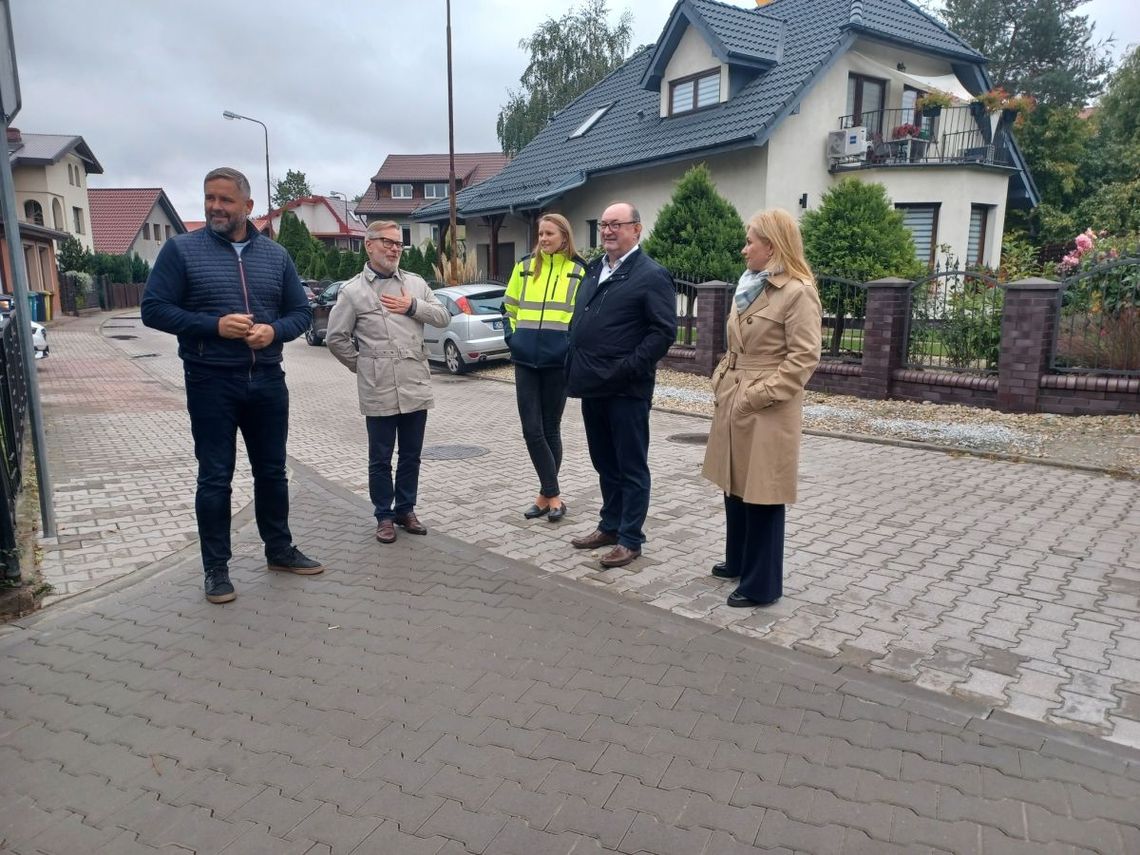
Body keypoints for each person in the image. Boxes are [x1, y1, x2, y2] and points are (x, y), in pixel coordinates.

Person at [141, 167, 323, 605]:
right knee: (216, 477)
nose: (215, 208)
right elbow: (153, 310)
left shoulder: (276, 257)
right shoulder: (181, 251)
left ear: (247, 206)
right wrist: (213, 326)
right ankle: (216, 569)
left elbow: (301, 313)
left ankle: (278, 550)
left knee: (272, 472)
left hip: (266, 380)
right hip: (209, 381)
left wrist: (274, 332)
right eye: (209, 199)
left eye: (225, 200)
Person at [702, 208, 822, 607]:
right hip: (736, 393)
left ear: (771, 245)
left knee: (763, 493)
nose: (744, 248)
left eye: (751, 241)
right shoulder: (750, 285)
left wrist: (760, 394)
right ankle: (738, 560)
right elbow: (736, 344)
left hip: (767, 405)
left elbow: (804, 359)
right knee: (734, 485)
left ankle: (761, 584)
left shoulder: (797, 291)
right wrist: (723, 377)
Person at [325, 221, 450, 544]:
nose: (395, 248)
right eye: (388, 242)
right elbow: (336, 338)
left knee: (411, 455)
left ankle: (406, 509)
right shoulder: (352, 291)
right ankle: (384, 515)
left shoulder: (415, 284)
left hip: (414, 383)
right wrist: (365, 366)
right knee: (380, 457)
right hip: (378, 387)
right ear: (369, 245)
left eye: (398, 243)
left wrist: (412, 306)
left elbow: (442, 317)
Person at [565, 202, 676, 568]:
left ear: (637, 229)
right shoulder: (597, 268)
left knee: (630, 465)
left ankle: (631, 538)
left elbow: (663, 332)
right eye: (604, 225)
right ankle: (610, 525)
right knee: (604, 462)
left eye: (617, 225)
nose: (608, 231)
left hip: (626, 389)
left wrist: (628, 367)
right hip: (593, 385)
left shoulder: (651, 274)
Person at [503, 214, 586, 523]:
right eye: (540, 233)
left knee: (550, 428)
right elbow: (508, 308)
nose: (543, 238)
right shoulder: (523, 268)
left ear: (564, 237)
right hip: (525, 359)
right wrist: (514, 339)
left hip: (557, 362)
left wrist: (568, 347)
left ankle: (544, 496)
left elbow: (582, 320)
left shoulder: (579, 272)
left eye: (549, 233)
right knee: (531, 429)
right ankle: (554, 495)